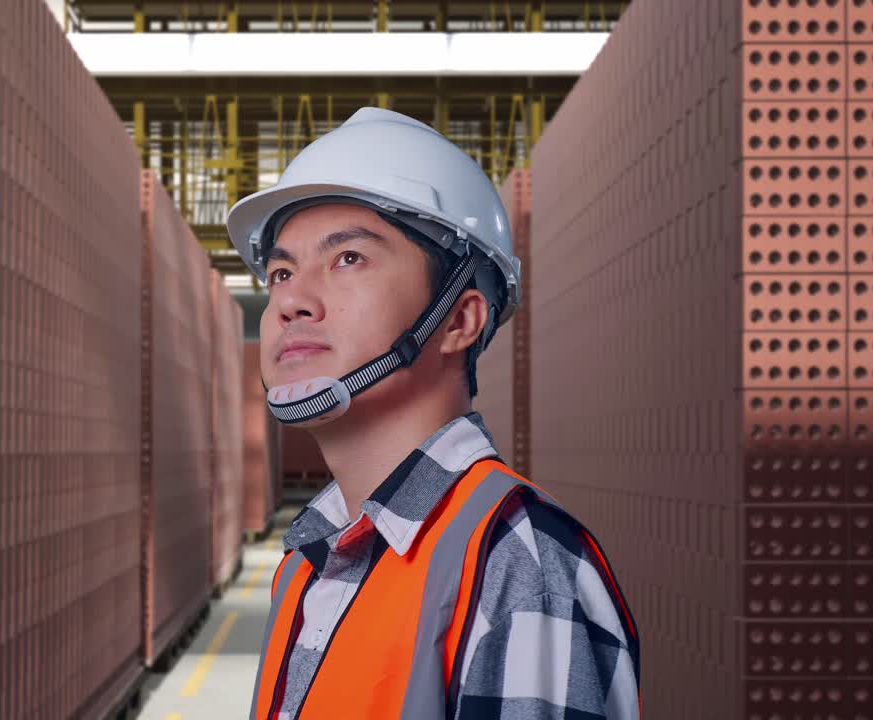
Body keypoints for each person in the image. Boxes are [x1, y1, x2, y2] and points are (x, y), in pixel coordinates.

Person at [225, 107, 640, 720]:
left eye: (348, 260)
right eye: (281, 270)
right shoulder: (306, 563)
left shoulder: (516, 561)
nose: (290, 299)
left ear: (458, 319)